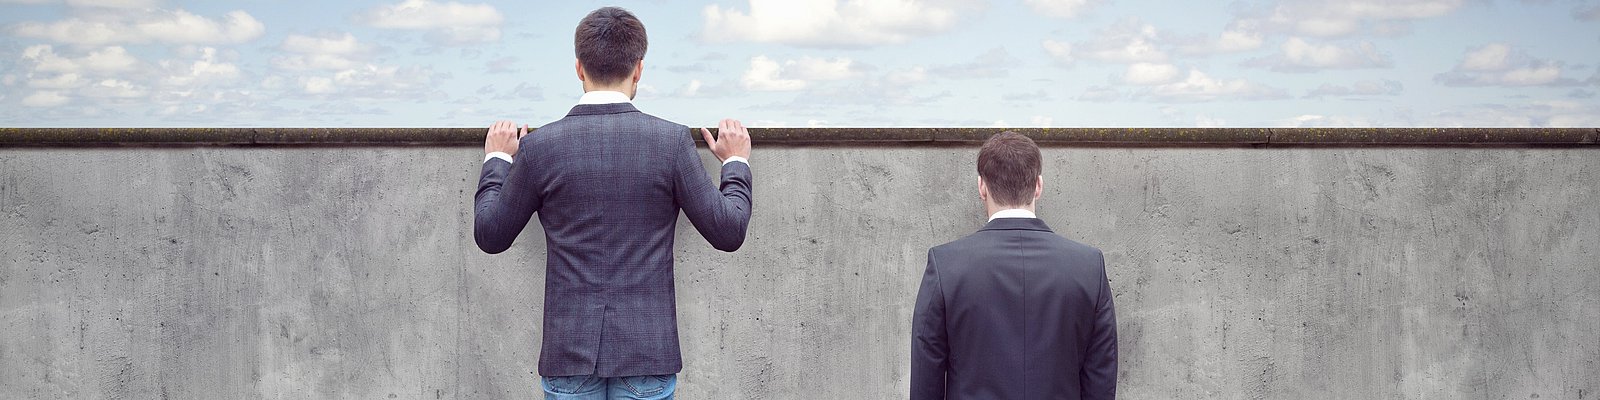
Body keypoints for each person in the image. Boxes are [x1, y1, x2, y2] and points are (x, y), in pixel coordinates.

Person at [472, 6, 753, 400]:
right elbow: (728, 230)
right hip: (646, 355)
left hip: (568, 356)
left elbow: (490, 234)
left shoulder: (539, 148)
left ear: (578, 68)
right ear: (639, 68)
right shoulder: (670, 142)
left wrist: (498, 159)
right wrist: (735, 162)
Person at [910, 132, 1117, 399]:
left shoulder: (945, 265)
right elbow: (1100, 379)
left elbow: (926, 379)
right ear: (1038, 185)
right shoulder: (1089, 266)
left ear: (981, 187)